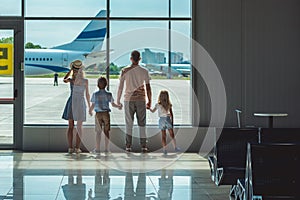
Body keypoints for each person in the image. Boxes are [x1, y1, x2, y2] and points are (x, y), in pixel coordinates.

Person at [116, 50, 152, 153]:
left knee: (129, 124)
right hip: (141, 99)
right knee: (142, 124)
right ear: (140, 59)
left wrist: (118, 100)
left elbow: (121, 87)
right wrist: (149, 100)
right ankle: (144, 146)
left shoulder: (125, 70)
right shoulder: (144, 71)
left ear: (131, 58)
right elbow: (148, 87)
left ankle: (128, 146)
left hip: (128, 100)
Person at [62, 60, 90, 154]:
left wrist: (70, 70)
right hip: (80, 102)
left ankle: (71, 148)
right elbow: (87, 94)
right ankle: (77, 148)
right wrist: (89, 106)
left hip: (72, 102)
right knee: (79, 127)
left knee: (71, 126)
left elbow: (64, 79)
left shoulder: (72, 80)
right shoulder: (85, 81)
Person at [89, 76, 121, 154]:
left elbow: (93, 104)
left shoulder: (95, 94)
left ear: (97, 85)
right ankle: (107, 149)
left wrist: (90, 111)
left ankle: (97, 148)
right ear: (106, 84)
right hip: (106, 113)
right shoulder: (109, 94)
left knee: (98, 132)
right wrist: (119, 106)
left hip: (98, 114)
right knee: (106, 132)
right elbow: (113, 104)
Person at [149, 90, 180, 155]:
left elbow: (152, 111)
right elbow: (171, 114)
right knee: (172, 135)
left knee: (163, 136)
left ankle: (165, 150)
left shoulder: (157, 105)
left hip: (161, 120)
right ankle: (175, 147)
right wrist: (172, 123)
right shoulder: (169, 104)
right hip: (168, 119)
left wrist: (149, 108)